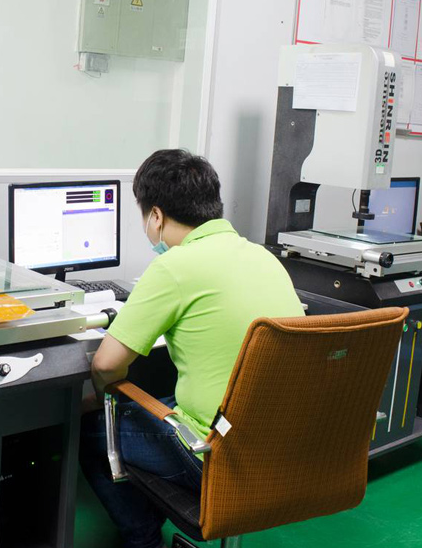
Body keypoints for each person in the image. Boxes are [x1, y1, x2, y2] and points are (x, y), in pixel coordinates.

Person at [79, 149, 305, 548]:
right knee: (158, 399)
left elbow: (106, 365)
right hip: (285, 447)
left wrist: (103, 401)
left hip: (216, 452)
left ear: (156, 216)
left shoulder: (174, 266)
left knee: (91, 430)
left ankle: (143, 538)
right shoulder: (262, 256)